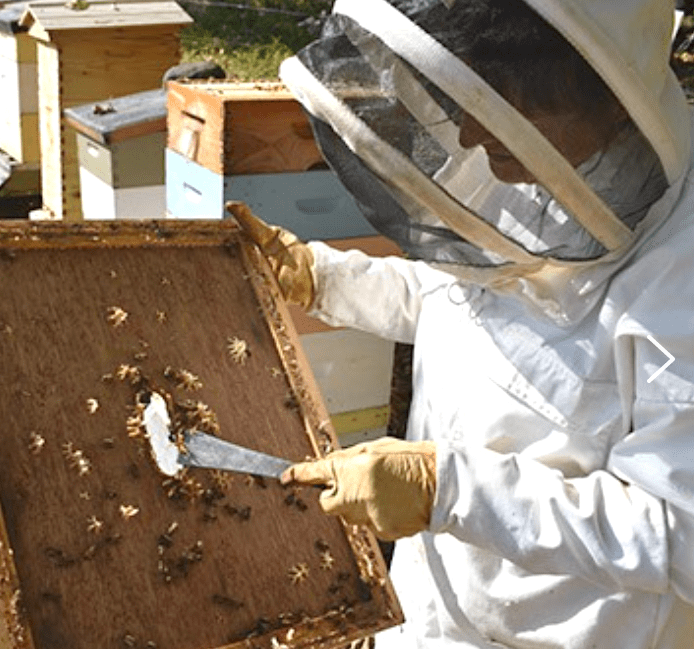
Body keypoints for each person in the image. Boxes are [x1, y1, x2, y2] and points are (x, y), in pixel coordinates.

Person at [227, 0, 694, 647]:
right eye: (468, 94)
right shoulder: (540, 163)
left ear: (611, 96)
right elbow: (455, 298)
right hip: (429, 608)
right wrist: (318, 276)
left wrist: (447, 488)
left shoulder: (681, 272)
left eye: (508, 105)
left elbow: (680, 531)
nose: (472, 136)